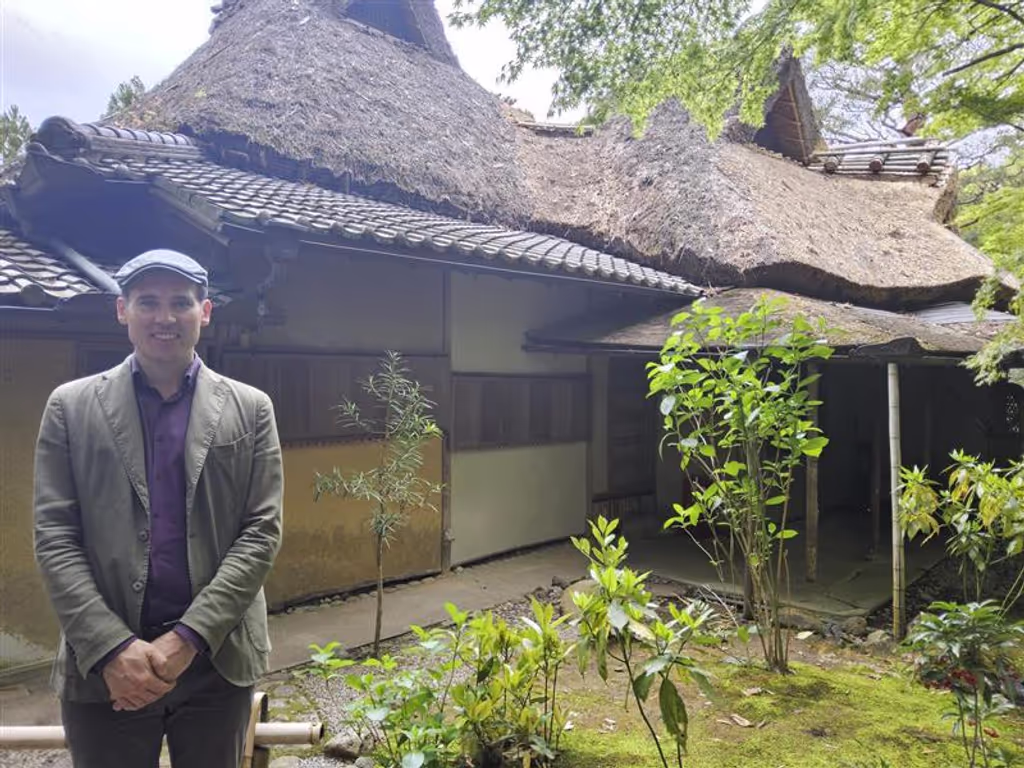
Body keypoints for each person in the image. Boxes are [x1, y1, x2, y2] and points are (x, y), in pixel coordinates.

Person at [33, 249, 284, 768]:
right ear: (122, 310)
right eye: (148, 302)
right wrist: (109, 648)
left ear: (205, 311)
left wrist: (189, 637)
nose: (164, 317)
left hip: (218, 659)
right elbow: (55, 536)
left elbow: (261, 531)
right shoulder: (71, 407)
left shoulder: (251, 407)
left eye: (180, 302)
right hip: (105, 665)